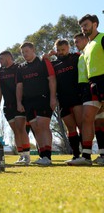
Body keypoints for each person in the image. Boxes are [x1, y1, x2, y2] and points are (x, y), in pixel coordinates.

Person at [68, 15, 104, 165]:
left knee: (87, 119)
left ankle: (86, 156)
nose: (84, 28)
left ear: (95, 24)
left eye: (86, 25)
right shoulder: (87, 46)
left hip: (102, 81)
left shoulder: (102, 38)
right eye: (82, 26)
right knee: (97, 121)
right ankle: (101, 155)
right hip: (92, 84)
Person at [16, 42, 56, 166]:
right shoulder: (21, 68)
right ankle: (42, 155)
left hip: (43, 98)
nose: (24, 54)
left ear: (33, 50)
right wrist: (19, 102)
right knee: (36, 128)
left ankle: (47, 157)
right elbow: (19, 86)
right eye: (22, 53)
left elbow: (52, 80)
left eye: (26, 51)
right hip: (28, 102)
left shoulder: (43, 61)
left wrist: (53, 98)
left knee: (43, 126)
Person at [47, 39, 83, 163]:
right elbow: (43, 62)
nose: (61, 52)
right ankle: (76, 155)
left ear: (68, 48)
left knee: (81, 126)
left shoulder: (76, 57)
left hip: (77, 97)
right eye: (59, 50)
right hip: (62, 99)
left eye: (63, 49)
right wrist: (48, 56)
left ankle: (86, 154)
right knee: (70, 128)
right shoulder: (53, 64)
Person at [0, 51, 30, 165]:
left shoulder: (18, 68)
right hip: (8, 105)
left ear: (8, 58)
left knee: (21, 128)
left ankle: (27, 156)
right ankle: (21, 156)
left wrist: (19, 102)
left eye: (1, 58)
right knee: (15, 130)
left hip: (19, 103)